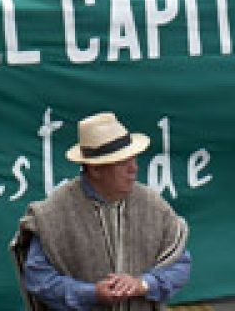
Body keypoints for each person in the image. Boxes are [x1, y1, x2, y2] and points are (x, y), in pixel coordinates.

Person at [13, 112, 191, 309]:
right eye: (123, 162)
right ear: (95, 169)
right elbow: (38, 278)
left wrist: (143, 284)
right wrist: (91, 294)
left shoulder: (154, 206)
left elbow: (179, 263)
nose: (134, 168)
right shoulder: (52, 215)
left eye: (133, 159)